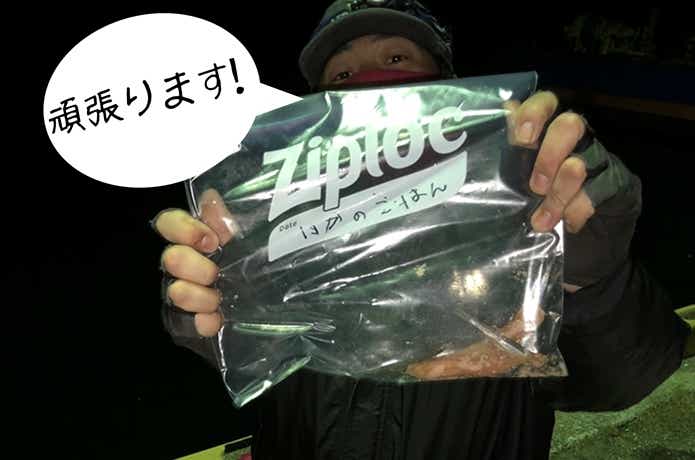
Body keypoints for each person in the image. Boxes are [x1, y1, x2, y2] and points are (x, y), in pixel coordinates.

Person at [154, 1, 691, 458]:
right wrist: (207, 302)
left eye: (396, 59)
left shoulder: (516, 219)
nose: (371, 81)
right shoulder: (281, 228)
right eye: (342, 77)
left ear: (449, 90)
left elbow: (623, 380)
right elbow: (249, 359)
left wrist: (593, 283)